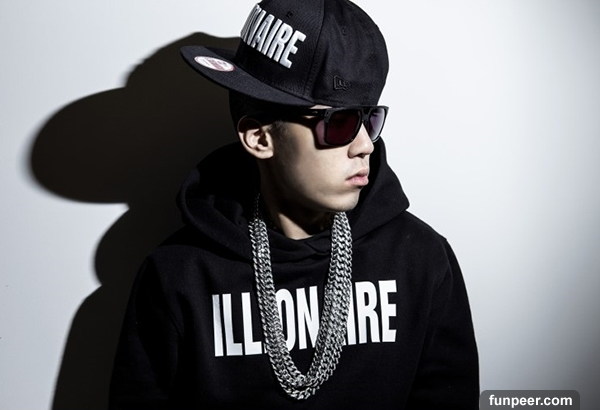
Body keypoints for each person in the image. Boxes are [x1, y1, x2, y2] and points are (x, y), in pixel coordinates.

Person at [109, 0, 479, 408]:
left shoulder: (420, 260)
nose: (365, 145)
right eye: (339, 122)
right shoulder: (180, 275)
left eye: (369, 119)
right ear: (260, 138)